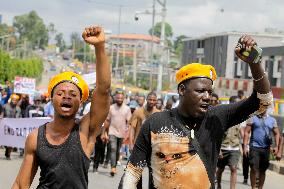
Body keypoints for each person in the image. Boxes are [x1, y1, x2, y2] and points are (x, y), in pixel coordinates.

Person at [118, 35, 272, 189]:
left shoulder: (217, 117)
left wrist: (255, 64)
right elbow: (133, 173)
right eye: (200, 91)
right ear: (182, 90)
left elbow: (263, 102)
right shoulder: (156, 122)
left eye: (209, 92)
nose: (207, 97)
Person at [11, 25, 111, 189]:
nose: (66, 96)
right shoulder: (35, 137)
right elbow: (21, 184)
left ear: (81, 102)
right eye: (61, 93)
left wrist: (99, 47)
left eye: (73, 94)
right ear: (51, 98)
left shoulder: (86, 131)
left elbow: (104, 89)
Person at [243, 109, 280, 189]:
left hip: (266, 148)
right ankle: (253, 187)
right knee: (253, 167)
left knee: (263, 170)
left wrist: (277, 146)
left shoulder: (272, 120)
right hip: (254, 147)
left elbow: (277, 133)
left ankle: (260, 187)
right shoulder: (252, 118)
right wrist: (245, 146)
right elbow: (246, 132)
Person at [102, 90, 132, 176]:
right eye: (118, 97)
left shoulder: (127, 109)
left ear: (124, 99)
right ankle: (113, 167)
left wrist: (128, 134)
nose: (119, 99)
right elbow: (107, 121)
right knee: (113, 148)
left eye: (121, 98)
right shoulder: (111, 108)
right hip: (112, 131)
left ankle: (114, 164)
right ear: (115, 98)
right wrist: (104, 133)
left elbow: (129, 123)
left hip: (122, 133)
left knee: (117, 150)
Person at [216, 96, 241, 189]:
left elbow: (241, 132)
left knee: (233, 168)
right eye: (236, 102)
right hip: (223, 147)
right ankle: (218, 185)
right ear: (231, 103)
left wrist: (244, 146)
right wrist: (218, 149)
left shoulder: (241, 116)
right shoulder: (223, 116)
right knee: (220, 169)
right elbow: (217, 134)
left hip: (234, 147)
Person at [1, 94, 22, 160]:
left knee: (11, 141)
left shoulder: (18, 108)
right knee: (4, 141)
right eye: (13, 100)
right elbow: (2, 114)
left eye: (16, 100)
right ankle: (7, 151)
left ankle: (8, 155)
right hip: (5, 126)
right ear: (11, 99)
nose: (14, 101)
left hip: (14, 127)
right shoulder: (5, 106)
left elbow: (20, 117)